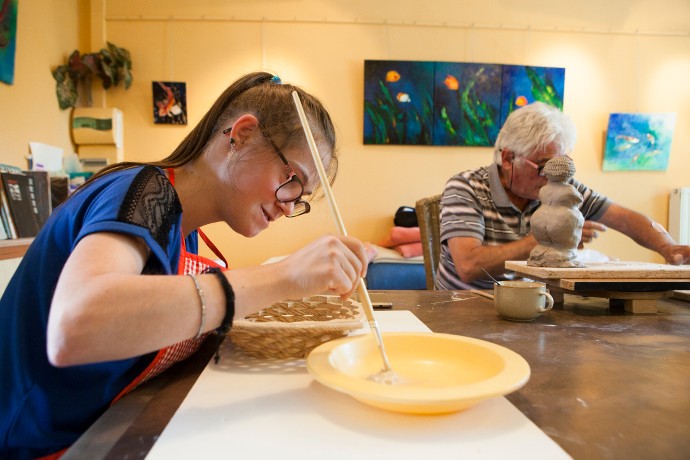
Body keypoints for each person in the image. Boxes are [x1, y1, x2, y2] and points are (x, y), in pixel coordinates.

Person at [0, 72, 370, 459]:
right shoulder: (143, 190)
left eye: (302, 197)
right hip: (29, 446)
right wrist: (284, 275)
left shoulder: (187, 234)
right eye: (291, 179)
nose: (289, 205)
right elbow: (75, 325)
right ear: (241, 134)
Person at [436, 101, 690, 291]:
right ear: (507, 158)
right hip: (465, 308)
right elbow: (468, 265)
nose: (551, 176)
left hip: (533, 307)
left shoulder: (561, 187)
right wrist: (542, 241)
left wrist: (668, 247)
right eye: (543, 166)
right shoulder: (466, 187)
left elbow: (624, 218)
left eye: (559, 164)